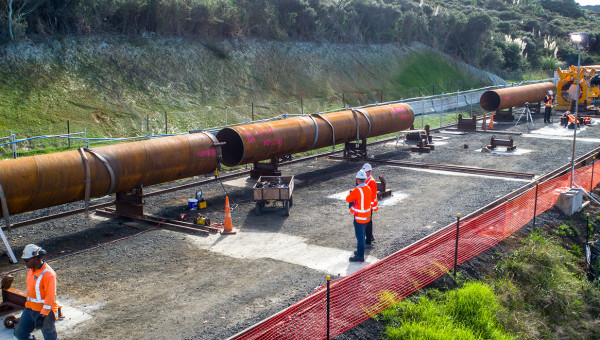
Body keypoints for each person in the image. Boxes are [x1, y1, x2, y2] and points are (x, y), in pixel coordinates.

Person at [14, 244, 59, 340]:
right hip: (29, 309)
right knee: (19, 334)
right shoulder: (31, 270)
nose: (25, 263)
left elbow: (50, 296)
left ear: (35, 259)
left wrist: (43, 315)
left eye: (26, 260)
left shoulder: (48, 274)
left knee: (50, 337)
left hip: (44, 312)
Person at [345, 170, 372, 262]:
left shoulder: (357, 190)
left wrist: (351, 194)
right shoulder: (368, 188)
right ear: (364, 179)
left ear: (357, 180)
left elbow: (348, 199)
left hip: (359, 217)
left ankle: (360, 255)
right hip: (367, 217)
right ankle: (360, 251)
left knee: (360, 236)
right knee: (362, 235)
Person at [361, 163, 378, 246]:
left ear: (369, 171)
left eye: (366, 172)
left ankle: (369, 239)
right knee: (367, 221)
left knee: (368, 222)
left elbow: (372, 195)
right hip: (366, 204)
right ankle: (370, 236)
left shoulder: (371, 181)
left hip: (368, 205)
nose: (364, 173)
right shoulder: (366, 179)